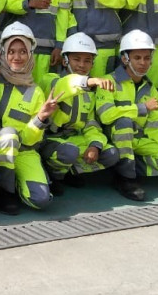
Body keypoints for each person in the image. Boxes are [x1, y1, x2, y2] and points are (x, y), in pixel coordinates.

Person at [96, 30, 158, 202]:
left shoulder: (150, 89)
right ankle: (126, 178)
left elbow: (156, 127)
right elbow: (106, 116)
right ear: (125, 59)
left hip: (139, 141)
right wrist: (142, 108)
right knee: (123, 122)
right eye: (137, 58)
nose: (143, 63)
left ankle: (127, 165)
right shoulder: (108, 82)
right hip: (113, 140)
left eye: (147, 58)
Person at [0, 22, 59, 212]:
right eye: (11, 51)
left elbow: (30, 140)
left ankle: (15, 178)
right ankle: (4, 192)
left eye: (23, 52)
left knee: (40, 200)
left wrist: (40, 118)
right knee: (8, 135)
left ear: (30, 54)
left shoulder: (36, 92)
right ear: (3, 53)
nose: (17, 57)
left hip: (24, 150)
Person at [39, 32, 119, 195]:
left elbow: (91, 124)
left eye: (87, 60)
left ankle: (69, 171)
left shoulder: (90, 93)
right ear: (65, 60)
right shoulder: (50, 80)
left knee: (110, 154)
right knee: (69, 152)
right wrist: (90, 81)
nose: (82, 65)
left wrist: (95, 145)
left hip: (73, 139)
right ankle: (53, 175)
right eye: (76, 59)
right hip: (48, 140)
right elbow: (66, 84)